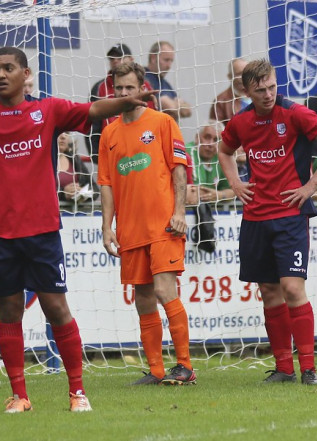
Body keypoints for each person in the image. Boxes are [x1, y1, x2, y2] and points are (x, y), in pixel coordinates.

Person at [0, 46, 153, 413]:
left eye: (8, 68)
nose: (0, 75)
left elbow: (91, 111)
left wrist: (127, 102)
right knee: (9, 312)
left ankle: (77, 392)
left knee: (57, 308)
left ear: (26, 74)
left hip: (41, 232)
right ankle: (20, 396)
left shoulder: (48, 109)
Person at [217, 59, 317, 385]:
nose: (268, 94)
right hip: (255, 217)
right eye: (260, 90)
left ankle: (309, 369)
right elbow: (224, 150)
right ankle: (284, 369)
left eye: (272, 87)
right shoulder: (241, 121)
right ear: (246, 90)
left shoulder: (295, 113)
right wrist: (235, 183)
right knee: (269, 290)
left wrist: (311, 186)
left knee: (292, 288)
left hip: (290, 215)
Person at [98, 62, 195, 386]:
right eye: (119, 89)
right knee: (142, 298)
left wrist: (179, 213)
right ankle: (155, 370)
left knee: (164, 290)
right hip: (131, 230)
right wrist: (107, 227)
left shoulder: (163, 123)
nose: (124, 93)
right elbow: (107, 184)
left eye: (129, 88)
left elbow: (179, 170)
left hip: (164, 225)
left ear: (142, 90)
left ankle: (185, 366)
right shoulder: (109, 133)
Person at [88, 43, 155, 163]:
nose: (115, 61)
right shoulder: (99, 88)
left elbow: (154, 118)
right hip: (112, 153)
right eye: (112, 58)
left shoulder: (147, 88)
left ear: (131, 59)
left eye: (120, 57)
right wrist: (97, 157)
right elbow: (93, 125)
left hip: (144, 150)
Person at [187, 121, 234, 203]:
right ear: (197, 138)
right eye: (207, 137)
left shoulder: (221, 158)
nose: (211, 144)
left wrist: (219, 195)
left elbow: (233, 191)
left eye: (216, 140)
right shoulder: (186, 152)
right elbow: (191, 192)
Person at [145, 41, 192, 121]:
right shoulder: (143, 77)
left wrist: (171, 104)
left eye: (171, 61)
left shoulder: (165, 84)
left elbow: (187, 111)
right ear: (153, 58)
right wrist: (176, 103)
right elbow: (170, 107)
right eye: (166, 60)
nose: (169, 66)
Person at [56, 132, 96, 204]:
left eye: (66, 133)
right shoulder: (42, 162)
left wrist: (82, 193)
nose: (63, 136)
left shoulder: (75, 159)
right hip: (51, 212)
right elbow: (39, 191)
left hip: (76, 213)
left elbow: (95, 189)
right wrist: (63, 193)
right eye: (59, 132)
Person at [210, 58, 249, 126]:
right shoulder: (220, 101)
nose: (243, 77)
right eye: (239, 74)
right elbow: (216, 132)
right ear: (230, 77)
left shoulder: (260, 93)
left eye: (246, 73)